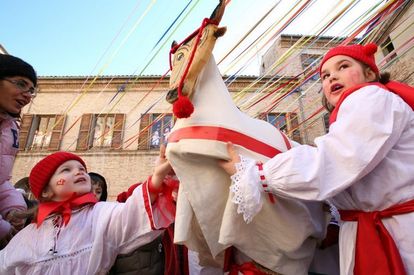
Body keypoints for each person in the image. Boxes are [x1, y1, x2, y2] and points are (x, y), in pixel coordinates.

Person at [219, 43, 414, 274]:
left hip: (398, 234)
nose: (333, 77)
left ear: (370, 74)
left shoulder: (370, 96)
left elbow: (336, 158)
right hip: (381, 230)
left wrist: (256, 174)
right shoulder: (359, 107)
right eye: (325, 75)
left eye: (343, 66)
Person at [0, 151, 175, 274]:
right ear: (46, 191)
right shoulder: (29, 234)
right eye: (66, 170)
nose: (79, 171)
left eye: (81, 168)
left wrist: (158, 178)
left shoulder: (101, 214)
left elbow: (133, 214)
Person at [0, 54, 38, 248]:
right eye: (21, 84)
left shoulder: (10, 128)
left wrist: (14, 208)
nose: (28, 95)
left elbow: (1, 180)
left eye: (32, 90)